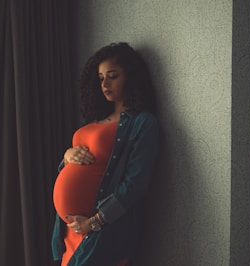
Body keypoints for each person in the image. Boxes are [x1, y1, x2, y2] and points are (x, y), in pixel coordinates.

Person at [51, 42, 160, 266]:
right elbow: (81, 165)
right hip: (71, 232)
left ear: (130, 77)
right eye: (101, 78)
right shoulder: (96, 122)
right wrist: (68, 156)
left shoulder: (142, 123)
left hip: (100, 231)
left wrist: (93, 222)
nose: (105, 84)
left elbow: (135, 185)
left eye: (112, 76)